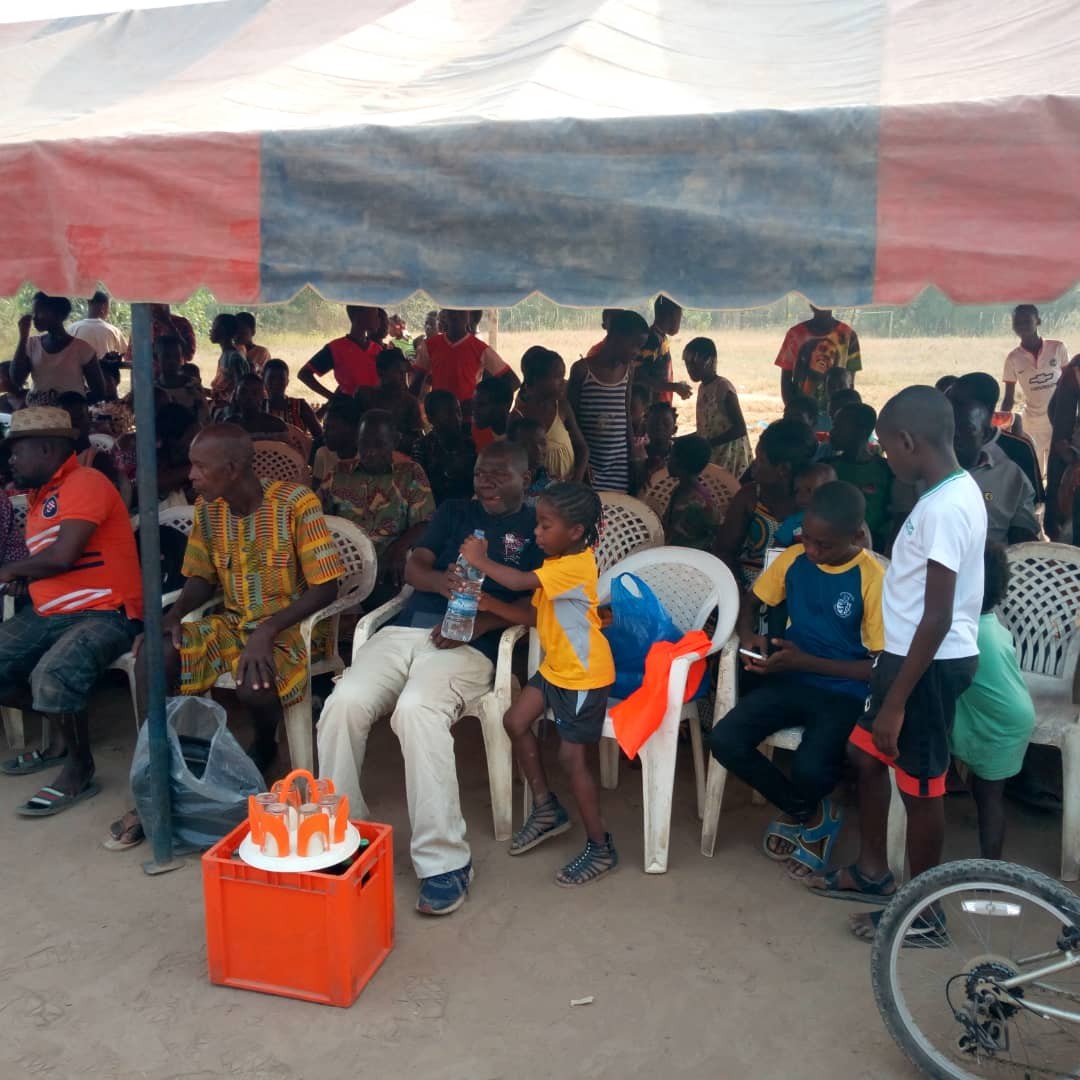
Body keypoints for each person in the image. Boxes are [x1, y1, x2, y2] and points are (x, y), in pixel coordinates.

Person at [316, 440, 544, 915]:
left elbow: (537, 609)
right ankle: (344, 834)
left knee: (417, 711)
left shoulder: (538, 528)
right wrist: (442, 583)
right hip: (406, 630)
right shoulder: (454, 511)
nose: (486, 481)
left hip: (472, 646)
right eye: (481, 471)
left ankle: (444, 862)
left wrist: (481, 623)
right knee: (344, 702)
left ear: (527, 477)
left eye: (500, 474)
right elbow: (416, 565)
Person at [806, 386, 986, 946]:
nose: (885, 457)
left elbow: (937, 615)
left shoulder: (949, 507)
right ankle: (873, 871)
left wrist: (898, 701)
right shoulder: (943, 495)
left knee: (921, 790)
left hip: (924, 669)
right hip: (903, 661)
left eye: (887, 448)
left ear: (909, 441)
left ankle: (925, 914)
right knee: (865, 753)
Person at [711, 481, 883, 877]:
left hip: (845, 691)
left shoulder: (872, 579)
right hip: (791, 678)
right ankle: (812, 812)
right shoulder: (792, 559)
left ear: (856, 536)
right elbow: (751, 602)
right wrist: (750, 636)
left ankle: (805, 810)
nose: (812, 551)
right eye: (807, 539)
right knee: (725, 739)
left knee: (809, 766)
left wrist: (804, 662)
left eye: (824, 545)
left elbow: (876, 668)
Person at [461, 482, 618, 885]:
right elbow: (534, 618)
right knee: (515, 721)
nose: (537, 534)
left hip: (583, 675)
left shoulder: (576, 565)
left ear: (576, 531)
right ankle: (547, 807)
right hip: (556, 670)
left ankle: (601, 847)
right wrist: (489, 605)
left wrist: (479, 560)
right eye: (537, 525)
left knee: (572, 759)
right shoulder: (553, 567)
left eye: (546, 526)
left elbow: (514, 582)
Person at [0, 407, 143, 812]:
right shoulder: (38, 497)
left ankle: (79, 771)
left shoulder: (84, 482)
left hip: (106, 611)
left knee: (54, 673)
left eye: (16, 451)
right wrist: (23, 577)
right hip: (50, 612)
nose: (10, 460)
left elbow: (63, 556)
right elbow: (51, 562)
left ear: (46, 448)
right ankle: (60, 736)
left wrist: (9, 569)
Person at [949, 544, 1035, 860]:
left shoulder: (965, 634)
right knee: (987, 791)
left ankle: (991, 869)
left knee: (989, 796)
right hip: (1009, 713)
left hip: (1000, 722)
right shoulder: (989, 625)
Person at [321, 409, 435, 585]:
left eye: (379, 444)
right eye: (364, 444)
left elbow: (425, 523)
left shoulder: (410, 473)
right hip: (342, 564)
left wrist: (399, 547)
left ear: (395, 441)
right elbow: (315, 518)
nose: (371, 452)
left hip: (388, 565)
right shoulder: (338, 473)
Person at [716, 419, 817, 590]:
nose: (754, 465)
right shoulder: (749, 497)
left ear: (783, 469)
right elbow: (724, 551)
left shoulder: (813, 503)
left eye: (761, 460)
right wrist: (739, 593)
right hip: (747, 589)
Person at [569, 310, 649, 493]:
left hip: (619, 464)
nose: (637, 352)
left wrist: (632, 459)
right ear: (615, 337)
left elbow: (625, 415)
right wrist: (581, 463)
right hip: (590, 464)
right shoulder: (582, 370)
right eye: (634, 345)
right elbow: (571, 421)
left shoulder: (629, 371)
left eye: (640, 346)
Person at [953, 398, 1039, 545]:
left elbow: (1023, 536)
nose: (955, 436)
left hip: (996, 561)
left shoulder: (1011, 476)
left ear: (985, 435)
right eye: (950, 428)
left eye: (967, 428)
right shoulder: (922, 475)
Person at [411, 309, 519, 420]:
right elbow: (416, 385)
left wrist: (488, 404)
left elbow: (513, 381)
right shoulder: (429, 346)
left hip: (468, 419)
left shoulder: (480, 348)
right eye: (451, 310)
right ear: (444, 314)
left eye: (461, 311)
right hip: (439, 418)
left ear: (469, 316)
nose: (455, 314)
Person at [1002, 304, 1068, 470]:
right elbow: (1009, 399)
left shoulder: (1057, 348)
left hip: (1059, 421)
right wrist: (1001, 427)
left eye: (1026, 321)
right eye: (1017, 322)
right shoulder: (1013, 358)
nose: (1021, 326)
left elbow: (1070, 385)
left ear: (1038, 321)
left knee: (1059, 470)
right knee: (1035, 471)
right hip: (1031, 425)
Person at [11, 293, 106, 406]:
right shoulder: (31, 344)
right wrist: (23, 338)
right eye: (34, 313)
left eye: (40, 312)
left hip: (68, 419)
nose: (34, 318)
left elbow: (99, 392)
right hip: (36, 416)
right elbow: (17, 380)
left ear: (59, 315)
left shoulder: (82, 349)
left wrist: (77, 407)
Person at [513, 346, 588, 482]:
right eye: (558, 378)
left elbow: (582, 447)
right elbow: (513, 458)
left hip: (568, 485)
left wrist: (577, 479)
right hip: (534, 490)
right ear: (537, 380)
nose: (563, 382)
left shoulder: (563, 407)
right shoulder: (519, 416)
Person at [776, 306, 861, 425]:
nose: (826, 356)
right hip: (803, 415)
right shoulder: (795, 334)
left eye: (832, 354)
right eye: (822, 349)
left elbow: (850, 383)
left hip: (836, 415)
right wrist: (793, 413)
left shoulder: (848, 335)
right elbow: (785, 379)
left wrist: (845, 416)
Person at [830, 403, 895, 550]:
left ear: (861, 430)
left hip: (876, 545)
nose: (832, 432)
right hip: (835, 544)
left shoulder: (886, 470)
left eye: (839, 427)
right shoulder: (827, 468)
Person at [684, 336, 751, 478]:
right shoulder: (703, 388)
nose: (690, 369)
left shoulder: (723, 388)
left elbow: (740, 428)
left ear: (710, 361)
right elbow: (704, 429)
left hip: (730, 459)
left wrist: (709, 444)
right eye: (687, 364)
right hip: (714, 456)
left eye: (694, 363)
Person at [298, 305, 383, 400]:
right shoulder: (336, 348)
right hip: (350, 409)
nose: (378, 319)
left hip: (373, 407)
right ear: (359, 316)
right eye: (374, 314)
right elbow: (304, 374)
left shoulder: (377, 349)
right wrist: (333, 398)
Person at [360, 348, 423, 457]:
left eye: (404, 373)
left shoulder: (410, 402)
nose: (403, 377)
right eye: (398, 372)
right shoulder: (366, 396)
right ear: (381, 372)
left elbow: (416, 439)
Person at [417, 390, 477, 505]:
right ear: (430, 419)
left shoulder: (468, 443)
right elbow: (419, 485)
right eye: (449, 413)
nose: (456, 418)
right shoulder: (422, 446)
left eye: (458, 412)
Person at [663, 435, 722, 551]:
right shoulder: (681, 489)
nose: (667, 459)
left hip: (690, 555)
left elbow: (715, 530)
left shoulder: (697, 501)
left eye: (671, 456)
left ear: (679, 463)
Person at [635, 296, 691, 405]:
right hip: (650, 410)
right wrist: (675, 387)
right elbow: (640, 376)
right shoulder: (652, 340)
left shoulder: (661, 338)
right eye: (680, 315)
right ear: (672, 315)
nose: (680, 321)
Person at [773, 461, 838, 547]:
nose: (801, 496)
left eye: (809, 491)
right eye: (797, 491)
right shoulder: (793, 522)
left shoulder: (842, 522)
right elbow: (777, 549)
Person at [154, 334, 209, 425]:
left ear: (182, 358)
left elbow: (204, 418)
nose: (172, 361)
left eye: (177, 356)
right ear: (156, 358)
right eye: (166, 356)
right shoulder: (154, 390)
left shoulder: (193, 387)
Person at [262, 359, 321, 440]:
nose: (276, 382)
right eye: (271, 378)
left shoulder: (300, 406)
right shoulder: (259, 406)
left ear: (287, 381)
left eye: (281, 378)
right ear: (263, 380)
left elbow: (319, 436)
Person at [312, 396, 361, 490]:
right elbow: (315, 494)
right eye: (324, 427)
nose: (324, 434)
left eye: (332, 428)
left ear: (352, 430)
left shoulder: (366, 459)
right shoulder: (322, 454)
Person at [208, 313, 252, 411]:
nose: (211, 330)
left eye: (214, 326)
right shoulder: (225, 355)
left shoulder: (234, 359)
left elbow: (240, 391)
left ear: (223, 330)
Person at [69, 291, 128, 361]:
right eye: (108, 307)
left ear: (89, 304)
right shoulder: (113, 331)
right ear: (103, 307)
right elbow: (125, 353)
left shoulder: (72, 328)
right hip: (105, 371)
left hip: (78, 371)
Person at [228, 373, 289, 439]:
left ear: (263, 396)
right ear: (236, 396)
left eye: (255, 393)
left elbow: (285, 449)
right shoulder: (228, 425)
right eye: (243, 392)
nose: (249, 397)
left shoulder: (276, 426)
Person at [507, 415, 551, 502]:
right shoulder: (500, 487)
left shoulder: (553, 488)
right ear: (511, 447)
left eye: (542, 443)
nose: (538, 450)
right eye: (528, 445)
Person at [470, 377, 514, 451]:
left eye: (482, 404)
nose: (474, 410)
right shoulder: (476, 433)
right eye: (473, 404)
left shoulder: (523, 437)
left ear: (504, 406)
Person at [641, 401, 677, 487]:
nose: (659, 427)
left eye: (665, 423)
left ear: (674, 429)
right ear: (645, 427)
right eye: (654, 422)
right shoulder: (638, 455)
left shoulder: (680, 456)